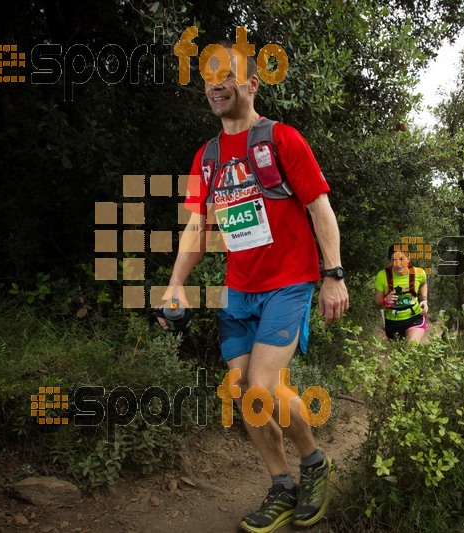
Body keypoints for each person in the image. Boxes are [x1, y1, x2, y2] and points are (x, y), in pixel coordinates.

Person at [158, 43, 348, 533]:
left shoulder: (283, 140)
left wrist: (333, 275)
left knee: (261, 387)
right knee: (242, 391)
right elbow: (197, 228)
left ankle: (314, 463)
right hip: (238, 290)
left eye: (226, 74)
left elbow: (320, 209)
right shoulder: (207, 158)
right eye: (207, 77)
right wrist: (176, 284)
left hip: (288, 283)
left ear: (252, 83)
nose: (214, 84)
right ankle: (282, 484)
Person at [374, 244, 429, 343]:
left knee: (410, 350)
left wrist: (424, 300)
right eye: (394, 260)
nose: (398, 264)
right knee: (398, 357)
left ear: (408, 259)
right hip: (392, 323)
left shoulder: (419, 273)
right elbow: (378, 305)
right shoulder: (382, 276)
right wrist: (385, 301)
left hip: (414, 318)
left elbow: (423, 284)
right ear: (390, 262)